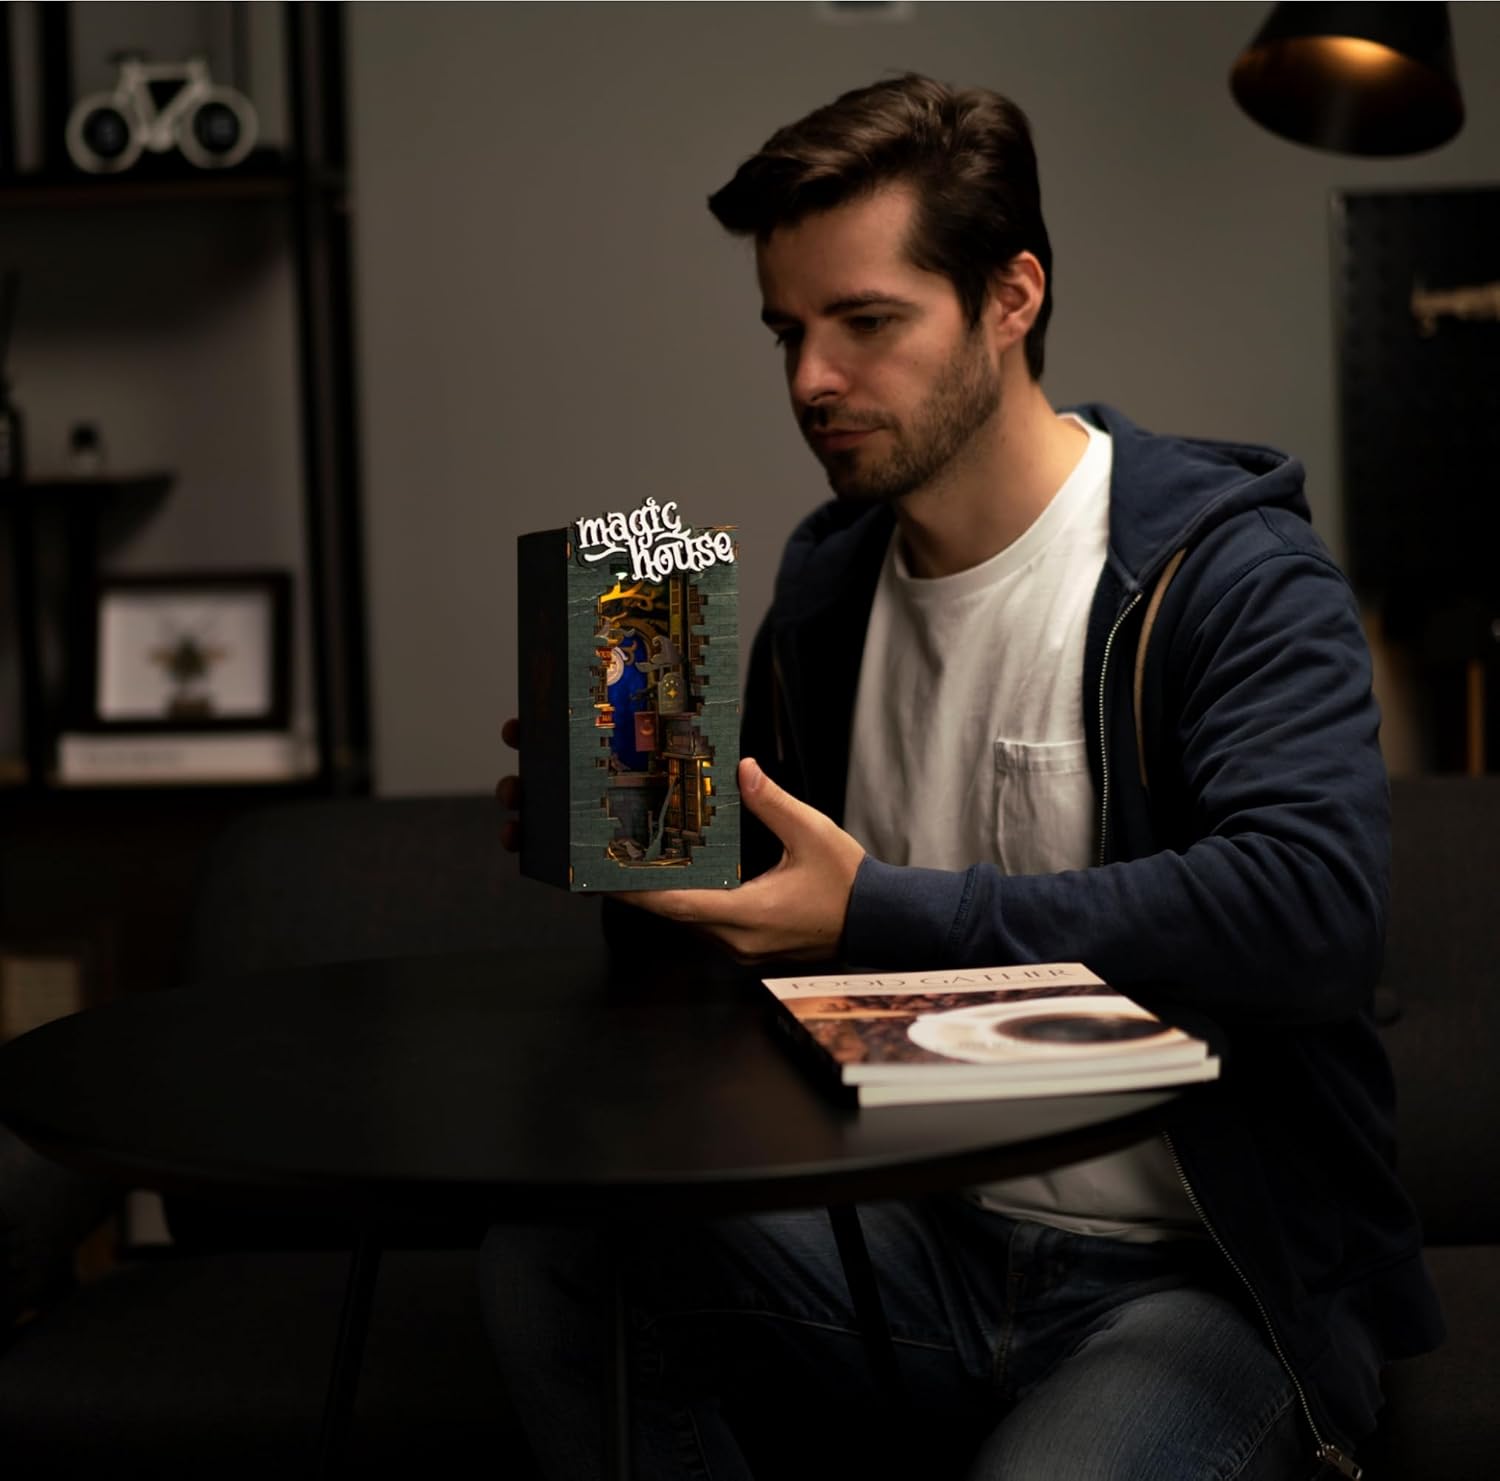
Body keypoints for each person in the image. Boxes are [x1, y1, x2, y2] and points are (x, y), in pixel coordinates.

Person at [485, 73, 1443, 1479]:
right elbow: (770, 959)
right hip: (909, 1240)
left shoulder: (1225, 573)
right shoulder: (827, 585)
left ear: (1012, 296)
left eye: (867, 322)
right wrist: (634, 847)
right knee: (556, 1252)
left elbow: (1310, 910)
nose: (813, 378)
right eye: (789, 330)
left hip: (1194, 1279)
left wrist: (878, 909)